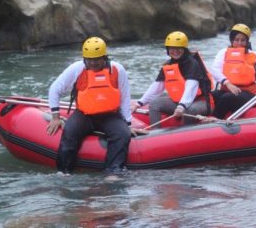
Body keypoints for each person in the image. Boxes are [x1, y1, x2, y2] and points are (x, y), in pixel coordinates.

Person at [46, 36, 145, 175]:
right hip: (84, 115)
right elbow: (54, 89)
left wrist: (128, 124)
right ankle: (64, 171)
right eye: (89, 59)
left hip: (111, 115)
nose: (93, 62)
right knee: (70, 132)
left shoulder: (117, 69)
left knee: (122, 134)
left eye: (97, 59)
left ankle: (113, 172)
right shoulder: (76, 68)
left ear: (104, 56)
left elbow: (125, 97)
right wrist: (55, 117)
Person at [132, 31, 213, 127]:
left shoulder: (192, 64)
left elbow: (191, 88)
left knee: (189, 109)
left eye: (179, 48)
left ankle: (186, 134)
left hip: (201, 102)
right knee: (155, 104)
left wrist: (182, 106)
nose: (175, 51)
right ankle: (155, 132)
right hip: (178, 102)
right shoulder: (167, 65)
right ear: (168, 49)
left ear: (184, 48)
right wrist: (139, 103)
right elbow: (156, 87)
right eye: (172, 48)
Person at [210, 23, 256, 119]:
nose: (240, 43)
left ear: (247, 42)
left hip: (249, 94)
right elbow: (214, 70)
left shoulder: (253, 55)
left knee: (227, 98)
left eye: (243, 40)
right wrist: (228, 83)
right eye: (236, 40)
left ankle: (214, 120)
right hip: (228, 89)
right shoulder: (223, 53)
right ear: (232, 40)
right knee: (210, 95)